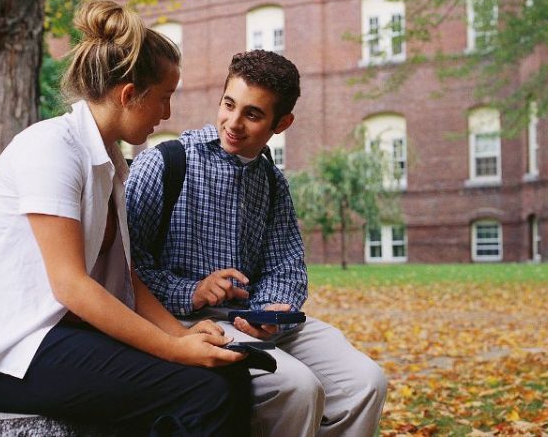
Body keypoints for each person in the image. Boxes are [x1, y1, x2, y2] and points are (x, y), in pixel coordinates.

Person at [0, 0, 251, 436]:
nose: (167, 114)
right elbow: (71, 285)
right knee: (204, 392)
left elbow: (127, 279)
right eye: (164, 99)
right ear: (128, 95)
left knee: (229, 375)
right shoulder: (50, 149)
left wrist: (181, 336)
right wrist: (170, 348)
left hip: (52, 336)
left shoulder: (108, 162)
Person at [126, 49, 388, 436]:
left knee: (366, 382)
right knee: (297, 387)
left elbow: (286, 266)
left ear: (282, 123)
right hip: (185, 320)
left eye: (252, 114)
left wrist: (271, 311)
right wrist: (193, 290)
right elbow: (122, 265)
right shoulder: (165, 163)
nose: (233, 123)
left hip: (255, 320)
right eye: (228, 104)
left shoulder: (272, 181)